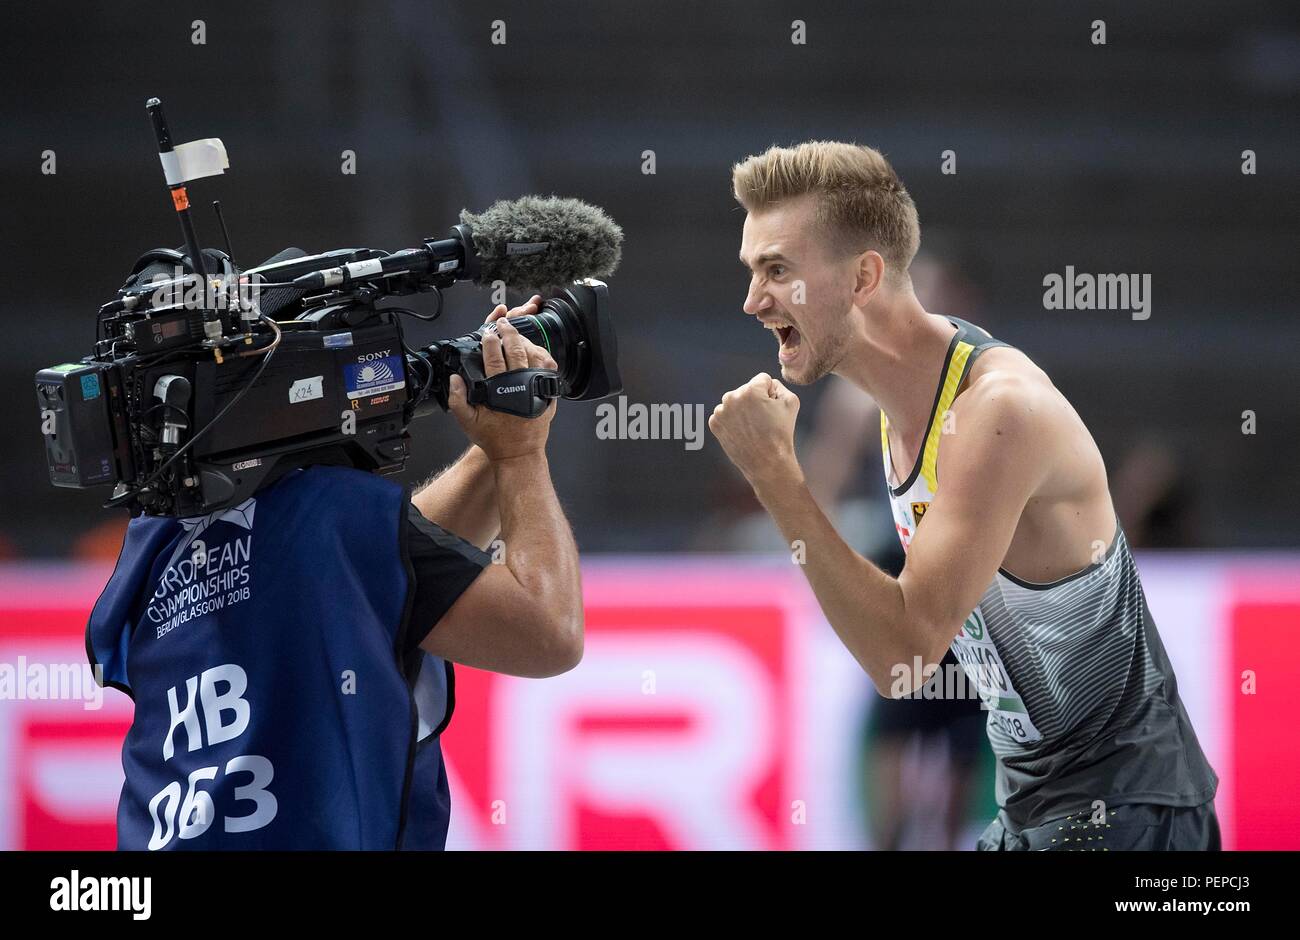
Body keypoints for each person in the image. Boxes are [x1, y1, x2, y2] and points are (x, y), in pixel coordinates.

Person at [709, 141, 1219, 850]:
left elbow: (905, 658)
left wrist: (775, 476)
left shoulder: (996, 410)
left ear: (862, 277)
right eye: (752, 271)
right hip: (1045, 806)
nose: (752, 300)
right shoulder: (902, 405)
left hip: (1128, 812)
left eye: (777, 270)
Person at [87, 298, 583, 850]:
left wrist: (498, 434)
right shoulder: (334, 514)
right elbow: (549, 635)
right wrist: (520, 456)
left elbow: (381, 578)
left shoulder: (157, 541)